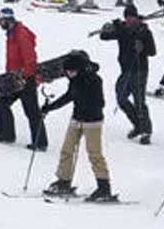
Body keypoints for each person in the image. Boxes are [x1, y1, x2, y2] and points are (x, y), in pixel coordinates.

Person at [41, 53, 113, 200]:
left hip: (92, 121)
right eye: (67, 72)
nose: (69, 74)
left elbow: (100, 103)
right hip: (76, 119)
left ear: (79, 69)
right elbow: (69, 96)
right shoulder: (74, 80)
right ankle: (64, 181)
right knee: (67, 150)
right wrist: (49, 108)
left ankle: (104, 188)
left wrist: (85, 104)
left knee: (94, 153)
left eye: (72, 71)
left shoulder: (94, 80)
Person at [99, 5, 155, 144]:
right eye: (127, 17)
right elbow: (104, 36)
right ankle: (138, 124)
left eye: (132, 17)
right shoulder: (122, 29)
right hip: (125, 71)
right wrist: (107, 27)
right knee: (121, 98)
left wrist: (143, 48)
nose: (129, 20)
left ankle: (146, 131)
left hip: (139, 71)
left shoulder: (144, 31)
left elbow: (152, 51)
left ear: (136, 17)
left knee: (139, 101)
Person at [0, 7, 44, 148]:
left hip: (25, 79)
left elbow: (30, 59)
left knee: (32, 111)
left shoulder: (21, 34)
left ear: (6, 20)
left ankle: (40, 142)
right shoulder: (11, 33)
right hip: (14, 77)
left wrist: (25, 77)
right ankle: (7, 134)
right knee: (3, 103)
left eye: (0, 20)